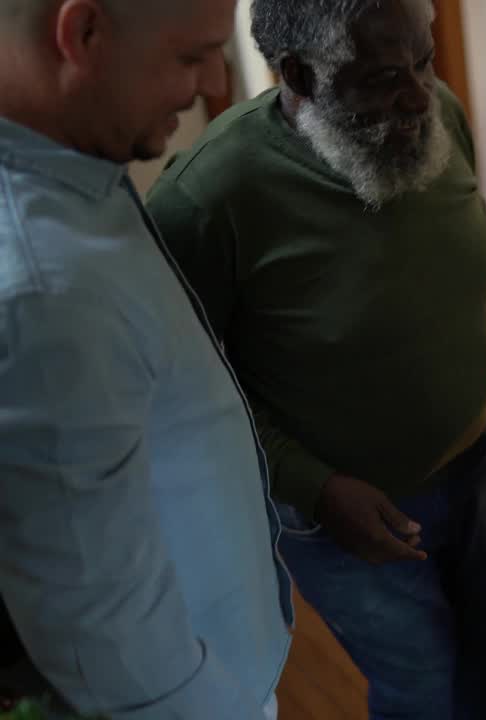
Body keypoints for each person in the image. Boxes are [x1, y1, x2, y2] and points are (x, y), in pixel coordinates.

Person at [145, 0, 486, 717]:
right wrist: (312, 486)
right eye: (381, 78)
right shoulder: (208, 198)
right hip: (342, 517)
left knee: (478, 666)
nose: (417, 94)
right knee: (423, 696)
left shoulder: (436, 112)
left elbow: (482, 240)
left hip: (474, 469)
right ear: (297, 75)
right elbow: (183, 392)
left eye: (423, 60)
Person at [0, 1, 292, 718]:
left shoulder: (75, 167)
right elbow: (121, 661)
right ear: (83, 35)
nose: (215, 83)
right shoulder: (45, 293)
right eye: (190, 57)